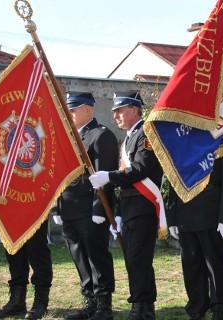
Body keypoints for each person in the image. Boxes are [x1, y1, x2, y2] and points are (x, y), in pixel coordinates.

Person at [89, 91, 161, 320]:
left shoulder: (146, 133)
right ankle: (146, 306)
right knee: (134, 258)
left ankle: (139, 307)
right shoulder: (130, 137)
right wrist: (118, 213)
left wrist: (109, 176)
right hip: (129, 207)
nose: (116, 116)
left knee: (138, 258)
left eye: (120, 110)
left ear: (134, 110)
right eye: (114, 112)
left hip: (143, 205)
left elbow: (140, 169)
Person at [54, 92, 118, 320]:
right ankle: (89, 301)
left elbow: (103, 177)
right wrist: (57, 208)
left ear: (87, 110)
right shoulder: (69, 137)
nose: (68, 114)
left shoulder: (101, 136)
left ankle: (103, 305)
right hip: (69, 205)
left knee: (96, 255)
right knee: (78, 255)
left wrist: (100, 209)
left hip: (89, 207)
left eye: (72, 110)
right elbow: (60, 175)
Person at [167, 150, 223, 320]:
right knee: (191, 264)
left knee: (215, 264)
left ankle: (220, 309)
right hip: (186, 208)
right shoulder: (183, 137)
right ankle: (196, 309)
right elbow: (175, 176)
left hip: (212, 210)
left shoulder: (222, 133)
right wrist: (172, 216)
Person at [0, 220, 53, 319]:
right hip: (10, 210)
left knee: (37, 250)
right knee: (14, 252)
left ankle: (41, 303)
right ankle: (17, 302)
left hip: (34, 208)